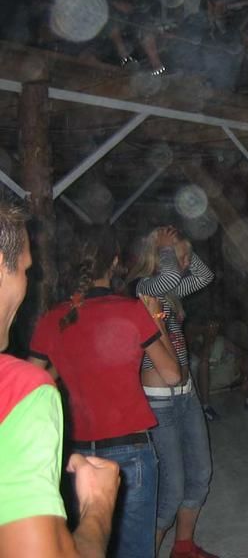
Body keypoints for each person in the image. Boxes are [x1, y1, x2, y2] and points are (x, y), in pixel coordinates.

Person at [29, 228, 181, 558]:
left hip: (77, 457)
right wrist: (157, 321)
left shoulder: (54, 318)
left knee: (91, 546)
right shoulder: (130, 310)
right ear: (114, 262)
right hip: (130, 449)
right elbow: (172, 374)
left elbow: (29, 385)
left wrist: (66, 365)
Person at [0, 202, 119, 558]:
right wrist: (98, 504)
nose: (28, 281)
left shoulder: (55, 317)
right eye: (25, 270)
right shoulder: (21, 390)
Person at [126, 226, 217, 558]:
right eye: (180, 256)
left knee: (201, 473)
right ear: (159, 256)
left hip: (186, 394)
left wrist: (185, 248)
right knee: (171, 490)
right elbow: (167, 277)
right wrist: (166, 247)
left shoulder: (170, 291)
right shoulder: (144, 287)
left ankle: (183, 546)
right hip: (159, 401)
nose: (184, 262)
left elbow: (205, 276)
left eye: (185, 256)